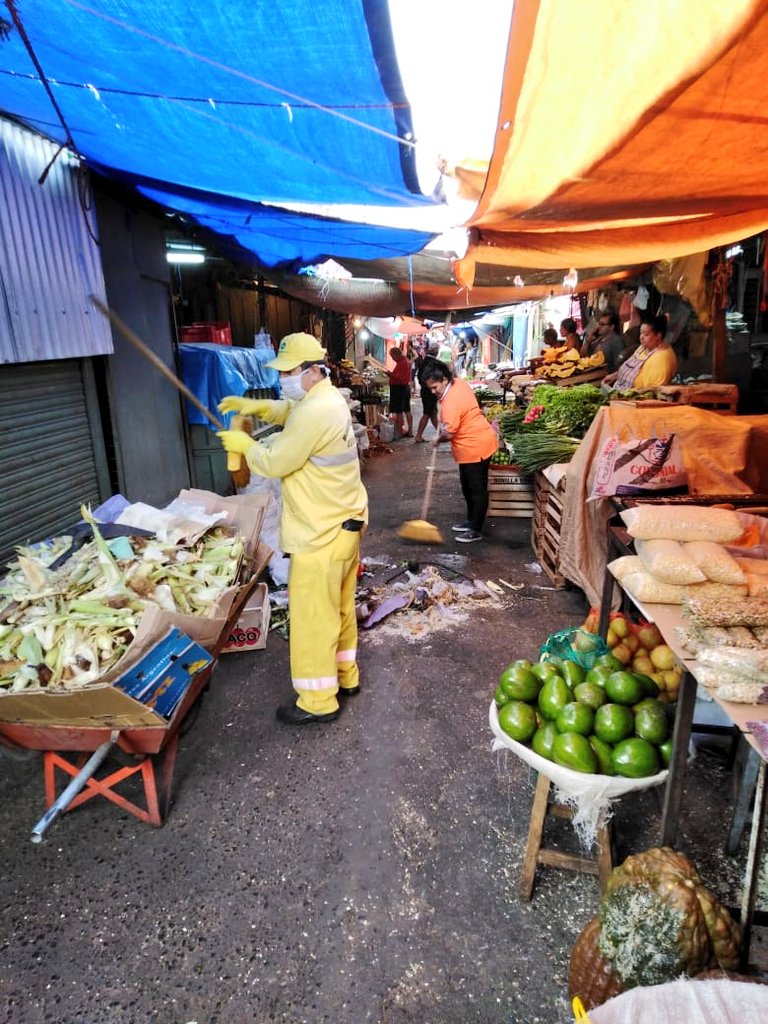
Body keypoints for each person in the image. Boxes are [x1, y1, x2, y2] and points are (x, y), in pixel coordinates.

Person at [216, 332, 368, 726]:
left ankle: (318, 701)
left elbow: (275, 460)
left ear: (314, 371)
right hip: (344, 525)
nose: (284, 377)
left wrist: (244, 444)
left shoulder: (316, 412)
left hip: (321, 534)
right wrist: (255, 406)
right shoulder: (324, 399)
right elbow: (290, 411)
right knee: (337, 607)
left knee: (312, 618)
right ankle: (345, 676)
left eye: (289, 371)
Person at [422, 363, 499, 543]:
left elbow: (449, 433)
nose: (433, 392)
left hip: (476, 445)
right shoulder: (458, 383)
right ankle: (471, 520)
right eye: (430, 389)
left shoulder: (451, 402)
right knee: (466, 485)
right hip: (469, 446)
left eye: (435, 387)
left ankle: (476, 529)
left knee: (477, 489)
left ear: (444, 380)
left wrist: (437, 440)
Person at [603, 314, 677, 391]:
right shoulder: (644, 346)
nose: (641, 337)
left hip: (633, 398)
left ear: (658, 335)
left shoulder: (662, 359)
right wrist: (615, 376)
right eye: (641, 333)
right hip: (619, 390)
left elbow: (654, 391)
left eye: (646, 334)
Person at [413, 343, 449, 443]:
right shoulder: (433, 362)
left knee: (432, 412)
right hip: (428, 392)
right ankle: (418, 435)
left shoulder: (425, 361)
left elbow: (420, 377)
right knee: (427, 413)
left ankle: (440, 433)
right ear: (436, 352)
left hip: (426, 390)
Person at [386, 347, 413, 437]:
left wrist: (390, 374)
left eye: (392, 356)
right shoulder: (406, 361)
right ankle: (410, 431)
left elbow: (399, 378)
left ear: (396, 355)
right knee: (407, 410)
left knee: (399, 411)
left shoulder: (402, 363)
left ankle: (400, 432)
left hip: (399, 389)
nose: (392, 359)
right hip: (405, 388)